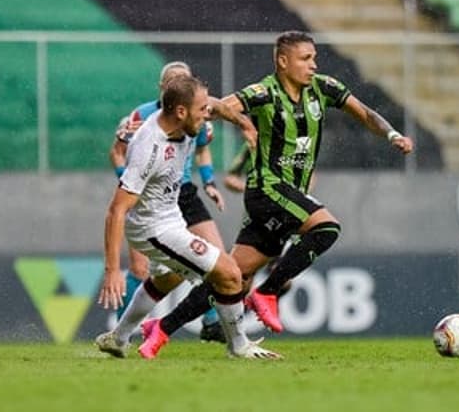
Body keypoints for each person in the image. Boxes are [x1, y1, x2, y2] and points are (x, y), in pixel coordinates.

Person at [149, 30, 414, 338]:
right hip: (267, 190)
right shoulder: (263, 93)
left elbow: (365, 114)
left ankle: (162, 327)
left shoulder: (324, 88)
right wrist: (190, 116)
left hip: (290, 197)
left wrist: (392, 134)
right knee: (326, 228)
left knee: (235, 275)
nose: (313, 65)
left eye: (314, 57)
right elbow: (220, 106)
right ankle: (268, 292)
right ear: (283, 61)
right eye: (305, 59)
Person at [97, 74, 279, 360]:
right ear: (181, 111)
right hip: (153, 229)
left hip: (171, 216)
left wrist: (243, 123)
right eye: (201, 110)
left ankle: (118, 338)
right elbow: (116, 209)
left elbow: (217, 106)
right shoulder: (150, 147)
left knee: (167, 279)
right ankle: (239, 345)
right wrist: (111, 271)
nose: (207, 116)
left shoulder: (181, 117)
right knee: (230, 273)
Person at [104, 61, 226, 346]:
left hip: (183, 192)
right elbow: (117, 152)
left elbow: (203, 151)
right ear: (163, 88)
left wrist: (209, 182)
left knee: (218, 258)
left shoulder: (199, 116)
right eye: (172, 81)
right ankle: (123, 334)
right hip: (147, 195)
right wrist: (130, 180)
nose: (178, 84)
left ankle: (210, 322)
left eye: (184, 79)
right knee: (139, 270)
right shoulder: (141, 118)